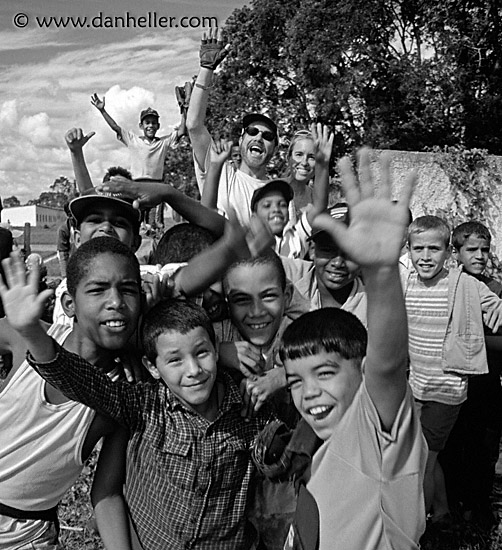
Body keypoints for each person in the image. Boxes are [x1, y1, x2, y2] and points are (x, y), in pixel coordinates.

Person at [8, 290, 280, 549]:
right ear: (153, 367)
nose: (194, 370)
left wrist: (281, 378)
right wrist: (34, 334)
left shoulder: (248, 408)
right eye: (175, 360)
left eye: (202, 353)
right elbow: (85, 382)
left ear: (217, 352)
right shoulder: (145, 405)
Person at [277, 149, 427, 550]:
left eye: (325, 373)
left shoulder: (374, 435)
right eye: (295, 381)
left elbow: (388, 366)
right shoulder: (328, 446)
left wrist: (380, 272)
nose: (307, 392)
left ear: (361, 372)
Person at [0, 238, 142, 549]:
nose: (116, 301)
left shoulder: (121, 397)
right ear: (69, 305)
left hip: (24, 539)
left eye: (129, 289)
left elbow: (106, 493)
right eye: (97, 289)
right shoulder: (25, 334)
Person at [404, 215, 502, 529]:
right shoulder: (405, 283)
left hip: (447, 391)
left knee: (421, 461)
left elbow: (497, 312)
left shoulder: (465, 284)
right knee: (426, 459)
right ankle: (443, 515)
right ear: (408, 250)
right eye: (419, 248)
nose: (426, 256)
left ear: (448, 252)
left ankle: (411, 529)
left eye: (434, 248)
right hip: (414, 386)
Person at [440, 221, 502, 528]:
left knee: (484, 451)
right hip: (452, 387)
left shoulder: (496, 291)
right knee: (452, 450)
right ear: (456, 253)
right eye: (471, 250)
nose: (479, 256)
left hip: (488, 388)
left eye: (485, 250)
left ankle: (480, 509)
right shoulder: (446, 288)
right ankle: (451, 508)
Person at [186, 29, 279, 226]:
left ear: (275, 150)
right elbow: (194, 125)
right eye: (252, 132)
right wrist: (206, 69)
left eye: (268, 136)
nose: (259, 138)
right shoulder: (222, 174)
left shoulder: (280, 195)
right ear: (241, 140)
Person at [205, 123, 333, 260]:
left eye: (282, 205)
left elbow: (319, 206)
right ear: (253, 217)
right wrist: (215, 166)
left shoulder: (291, 243)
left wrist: (323, 165)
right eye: (267, 205)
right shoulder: (241, 250)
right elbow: (207, 212)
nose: (276, 209)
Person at [90, 88, 188, 182]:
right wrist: (102, 111)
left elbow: (182, 130)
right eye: (147, 122)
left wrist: (183, 108)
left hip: (157, 185)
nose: (150, 126)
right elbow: (115, 127)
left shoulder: (163, 142)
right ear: (141, 126)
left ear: (158, 126)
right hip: (137, 184)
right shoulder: (133, 140)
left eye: (154, 123)